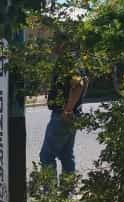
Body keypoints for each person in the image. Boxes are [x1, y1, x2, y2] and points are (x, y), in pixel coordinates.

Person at [39, 31, 88, 176]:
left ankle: (50, 190)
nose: (51, 45)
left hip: (63, 116)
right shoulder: (74, 60)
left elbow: (79, 85)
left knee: (46, 156)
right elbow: (85, 82)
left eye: (53, 42)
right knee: (66, 155)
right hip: (71, 114)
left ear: (62, 43)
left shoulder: (68, 61)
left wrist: (67, 110)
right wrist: (75, 106)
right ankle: (68, 188)